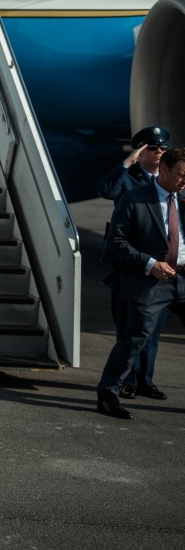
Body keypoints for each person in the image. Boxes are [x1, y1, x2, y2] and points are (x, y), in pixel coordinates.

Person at [96, 146, 185, 421]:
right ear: (165, 170)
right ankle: (108, 394)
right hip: (151, 280)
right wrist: (150, 265)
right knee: (135, 338)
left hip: (182, 278)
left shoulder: (183, 198)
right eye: (181, 175)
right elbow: (118, 242)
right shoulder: (135, 199)